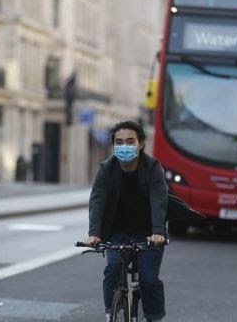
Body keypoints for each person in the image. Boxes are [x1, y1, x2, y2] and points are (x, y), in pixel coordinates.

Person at [82, 120, 168, 322]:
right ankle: (110, 312)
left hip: (149, 233)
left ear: (140, 144)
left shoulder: (153, 168)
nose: (124, 146)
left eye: (130, 141)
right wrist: (94, 234)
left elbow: (158, 201)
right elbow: (97, 201)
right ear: (113, 145)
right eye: (119, 142)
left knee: (148, 280)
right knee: (112, 269)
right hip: (117, 232)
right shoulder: (106, 169)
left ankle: (154, 317)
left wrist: (158, 233)